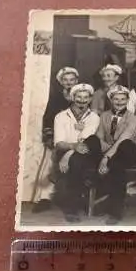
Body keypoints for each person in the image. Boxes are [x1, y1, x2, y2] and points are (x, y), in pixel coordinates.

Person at [34, 67, 79, 213]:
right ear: (61, 82)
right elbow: (47, 118)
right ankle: (44, 198)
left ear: (77, 81)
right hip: (57, 136)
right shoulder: (55, 98)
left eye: (72, 80)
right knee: (49, 163)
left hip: (75, 138)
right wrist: (49, 136)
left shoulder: (82, 96)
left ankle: (71, 199)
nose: (69, 83)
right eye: (65, 80)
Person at [53, 84, 101, 223]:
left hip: (86, 153)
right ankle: (71, 209)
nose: (82, 100)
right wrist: (70, 150)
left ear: (90, 99)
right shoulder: (61, 116)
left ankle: (72, 207)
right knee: (76, 161)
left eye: (86, 97)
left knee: (93, 141)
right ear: (73, 97)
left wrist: (68, 156)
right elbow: (59, 143)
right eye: (79, 97)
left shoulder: (94, 117)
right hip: (69, 153)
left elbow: (86, 141)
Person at [96, 85, 136, 224]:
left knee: (125, 146)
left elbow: (123, 140)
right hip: (114, 156)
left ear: (127, 100)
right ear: (111, 100)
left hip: (129, 154)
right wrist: (109, 154)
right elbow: (99, 138)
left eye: (123, 99)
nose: (119, 102)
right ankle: (115, 210)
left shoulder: (133, 118)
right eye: (116, 99)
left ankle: (112, 209)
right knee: (117, 166)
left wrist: (106, 158)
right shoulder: (104, 115)